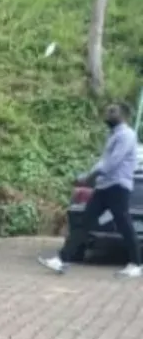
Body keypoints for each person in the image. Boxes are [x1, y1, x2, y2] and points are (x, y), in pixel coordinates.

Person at [41, 103, 141, 277]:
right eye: (107, 111)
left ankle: (136, 264)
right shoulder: (113, 135)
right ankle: (62, 259)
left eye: (112, 111)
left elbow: (112, 163)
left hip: (117, 187)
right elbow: (104, 161)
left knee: (124, 225)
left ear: (124, 115)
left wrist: (88, 178)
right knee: (85, 223)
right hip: (105, 186)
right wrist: (88, 176)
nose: (108, 114)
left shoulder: (126, 135)